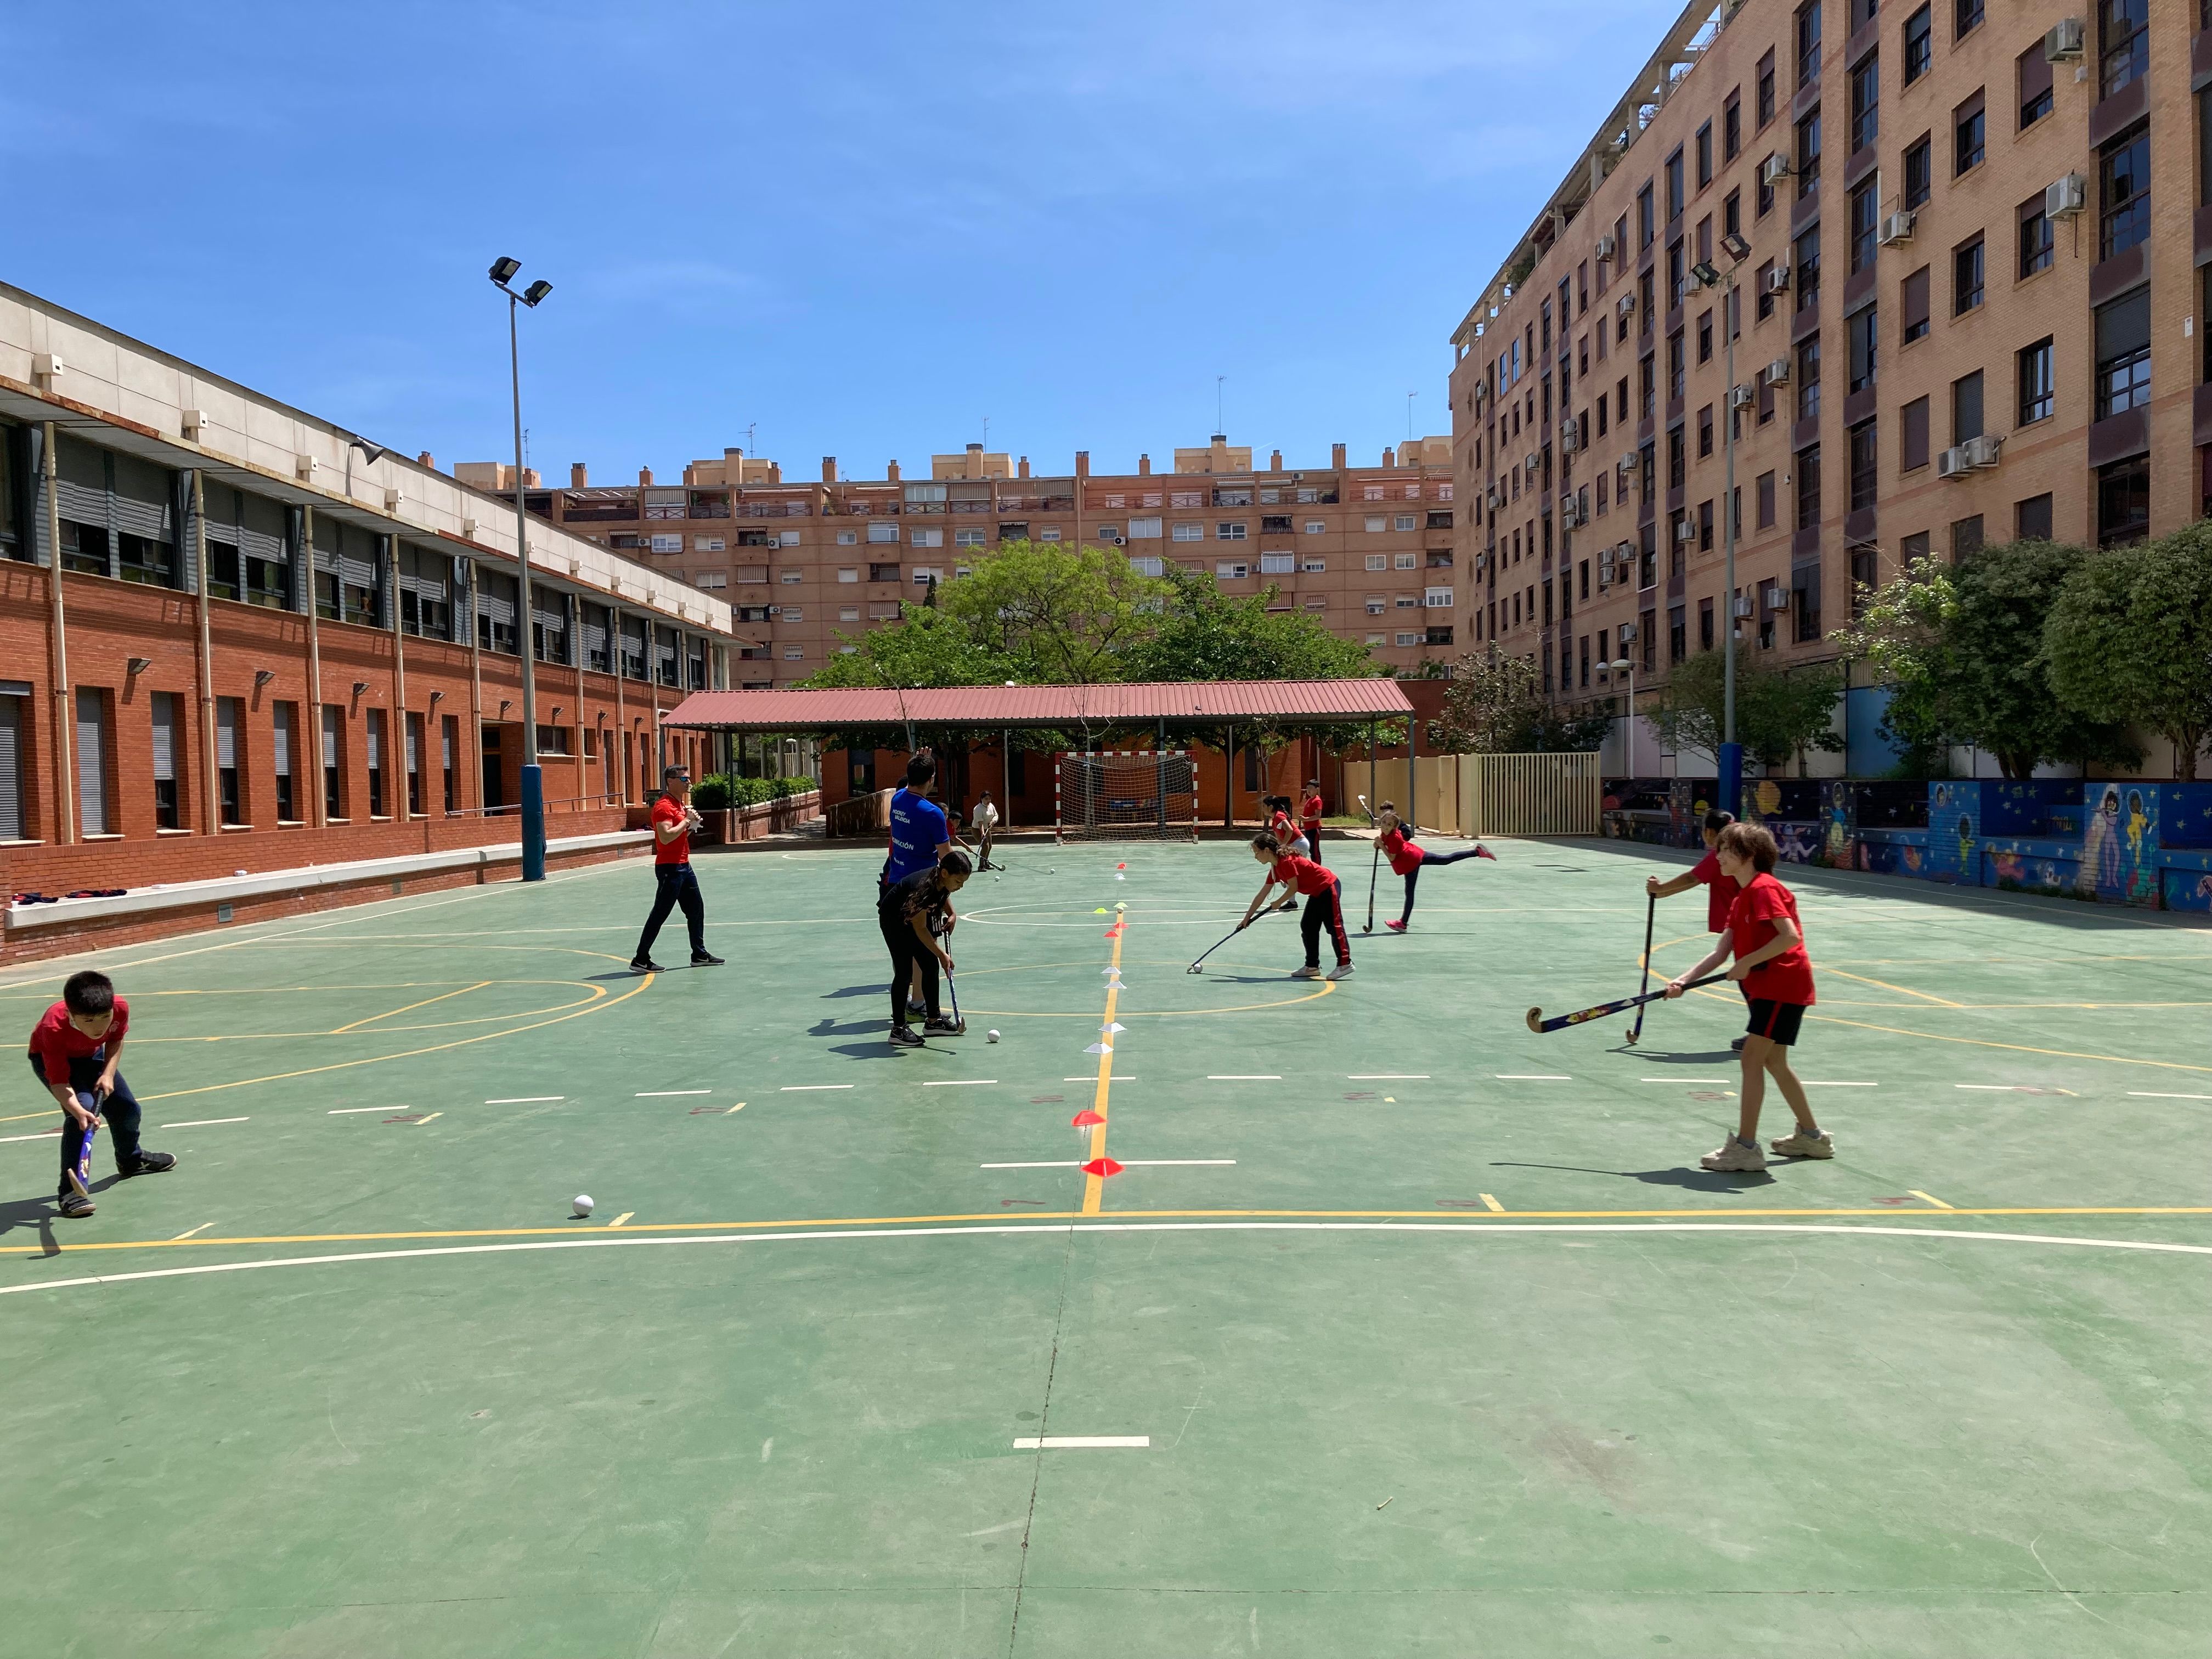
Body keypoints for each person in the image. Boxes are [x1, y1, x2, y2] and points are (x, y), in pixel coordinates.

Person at [1663, 821, 1830, 1173]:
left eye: (1726, 850)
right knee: (1774, 1062)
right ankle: (1812, 1138)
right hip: (1769, 988)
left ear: (1749, 855)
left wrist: (1749, 962)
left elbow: (1789, 937)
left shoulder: (1764, 888)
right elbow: (1720, 953)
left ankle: (1746, 1148)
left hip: (1780, 985)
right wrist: (1683, 981)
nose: (1718, 856)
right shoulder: (1742, 897)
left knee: (1752, 1059)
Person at [31, 968, 174, 1219]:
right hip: (54, 1061)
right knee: (82, 1114)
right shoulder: (52, 1027)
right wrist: (78, 1111)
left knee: (127, 1109)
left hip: (92, 1055)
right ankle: (70, 1193)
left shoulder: (119, 1008)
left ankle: (131, 1160)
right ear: (70, 1014)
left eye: (104, 1018)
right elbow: (59, 1082)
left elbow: (115, 1040)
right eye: (88, 1021)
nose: (99, 1027)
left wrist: (108, 1074)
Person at [1646, 809, 1743, 1048]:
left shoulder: (1722, 856)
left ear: (1709, 832)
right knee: (1746, 976)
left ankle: (1761, 1031)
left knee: (1749, 978)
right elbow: (1698, 879)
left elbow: (1692, 878)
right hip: (1738, 923)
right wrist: (1662, 893)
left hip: (1743, 923)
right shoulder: (1734, 853)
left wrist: (1661, 889)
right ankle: (1760, 1029)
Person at [631, 766, 724, 974]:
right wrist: (687, 820)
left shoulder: (680, 805)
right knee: (660, 913)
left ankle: (699, 954)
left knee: (696, 909)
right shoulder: (664, 807)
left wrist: (692, 826)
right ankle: (641, 959)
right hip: (670, 868)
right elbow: (665, 837)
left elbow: (679, 835)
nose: (689, 782)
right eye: (684, 779)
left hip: (684, 865)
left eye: (689, 778)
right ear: (670, 781)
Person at [883, 753, 953, 1017]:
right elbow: (947, 860)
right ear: (932, 780)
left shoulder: (898, 799)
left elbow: (906, 786)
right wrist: (949, 901)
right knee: (925, 949)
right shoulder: (933, 814)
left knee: (910, 950)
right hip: (922, 889)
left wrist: (920, 761)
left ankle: (916, 1003)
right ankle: (921, 1006)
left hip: (895, 885)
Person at [879, 848, 973, 1046]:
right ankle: (898, 1030)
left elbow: (945, 894)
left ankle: (933, 1021)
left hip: (912, 920)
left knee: (929, 965)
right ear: (945, 873)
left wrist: (952, 914)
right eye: (959, 882)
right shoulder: (923, 888)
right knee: (904, 972)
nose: (961, 887)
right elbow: (920, 929)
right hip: (894, 921)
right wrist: (942, 954)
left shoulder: (942, 880)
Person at [1239, 831, 1353, 980]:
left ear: (1266, 850)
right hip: (1317, 892)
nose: (1256, 857)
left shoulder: (1286, 862)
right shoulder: (1275, 868)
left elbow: (1293, 888)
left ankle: (1345, 963)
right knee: (1308, 926)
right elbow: (1262, 894)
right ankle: (1312, 966)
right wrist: (1247, 918)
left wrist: (1278, 903)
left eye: (1257, 853)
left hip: (1327, 886)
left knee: (1333, 926)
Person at [1373, 801, 1496, 931]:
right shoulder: (1386, 833)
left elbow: (1392, 857)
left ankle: (1403, 923)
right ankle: (1477, 852)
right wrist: (1378, 844)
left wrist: (1380, 845)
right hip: (1413, 855)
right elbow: (1382, 843)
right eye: (1384, 823)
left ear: (1394, 827)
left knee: (1410, 892)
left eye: (1389, 824)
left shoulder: (1394, 838)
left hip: (1411, 862)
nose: (1385, 826)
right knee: (1445, 860)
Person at [972, 789, 1000, 870]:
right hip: (977, 830)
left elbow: (996, 815)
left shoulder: (991, 806)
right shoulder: (978, 809)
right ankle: (981, 866)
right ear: (982, 799)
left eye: (989, 799)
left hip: (987, 828)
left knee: (989, 846)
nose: (988, 801)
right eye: (986, 799)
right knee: (985, 846)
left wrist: (993, 821)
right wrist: (982, 833)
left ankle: (986, 863)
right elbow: (980, 823)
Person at [1301, 780, 1326, 865]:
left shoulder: (1317, 801)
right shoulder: (1309, 800)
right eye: (1307, 788)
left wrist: (1305, 819)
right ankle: (1314, 865)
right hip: (1308, 828)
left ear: (1317, 789)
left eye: (1311, 788)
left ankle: (1318, 866)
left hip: (1314, 828)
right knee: (1311, 848)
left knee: (1314, 849)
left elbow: (1318, 816)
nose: (1308, 791)